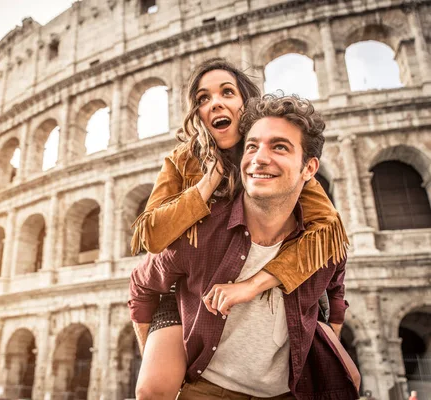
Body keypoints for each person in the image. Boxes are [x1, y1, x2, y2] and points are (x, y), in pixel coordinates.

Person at [130, 58, 348, 398]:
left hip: (271, 279)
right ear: (198, 113)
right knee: (153, 389)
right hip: (190, 281)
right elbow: (152, 236)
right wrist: (209, 179)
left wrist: (255, 284)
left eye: (226, 92)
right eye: (202, 98)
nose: (214, 102)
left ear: (245, 104)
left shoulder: (279, 157)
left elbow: (328, 235)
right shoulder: (183, 159)